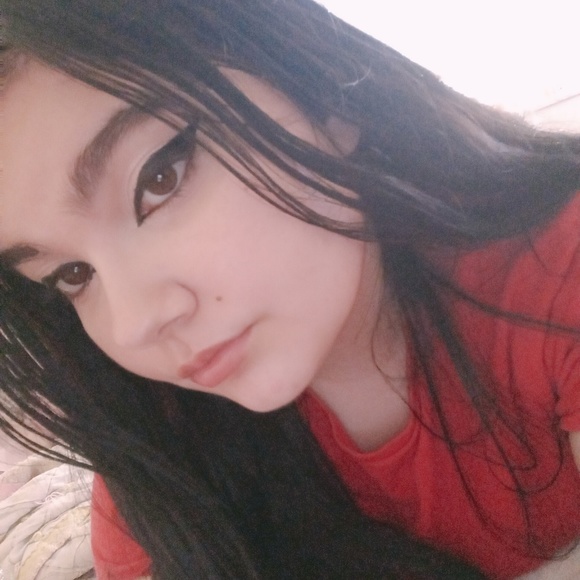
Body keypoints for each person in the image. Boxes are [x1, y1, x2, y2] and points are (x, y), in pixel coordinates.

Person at [1, 1, 580, 578]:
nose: (133, 325)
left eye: (160, 178)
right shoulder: (159, 445)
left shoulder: (552, 269)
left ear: (318, 86)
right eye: (72, 275)